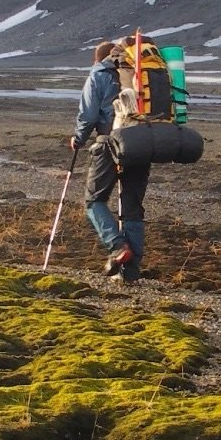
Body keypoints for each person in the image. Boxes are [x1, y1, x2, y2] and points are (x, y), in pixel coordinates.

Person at [71, 38, 150, 281]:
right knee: (132, 205)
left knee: (93, 200)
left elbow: (88, 114)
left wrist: (78, 138)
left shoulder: (99, 74)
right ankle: (131, 271)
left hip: (110, 142)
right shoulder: (138, 74)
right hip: (143, 142)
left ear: (98, 59)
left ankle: (118, 247)